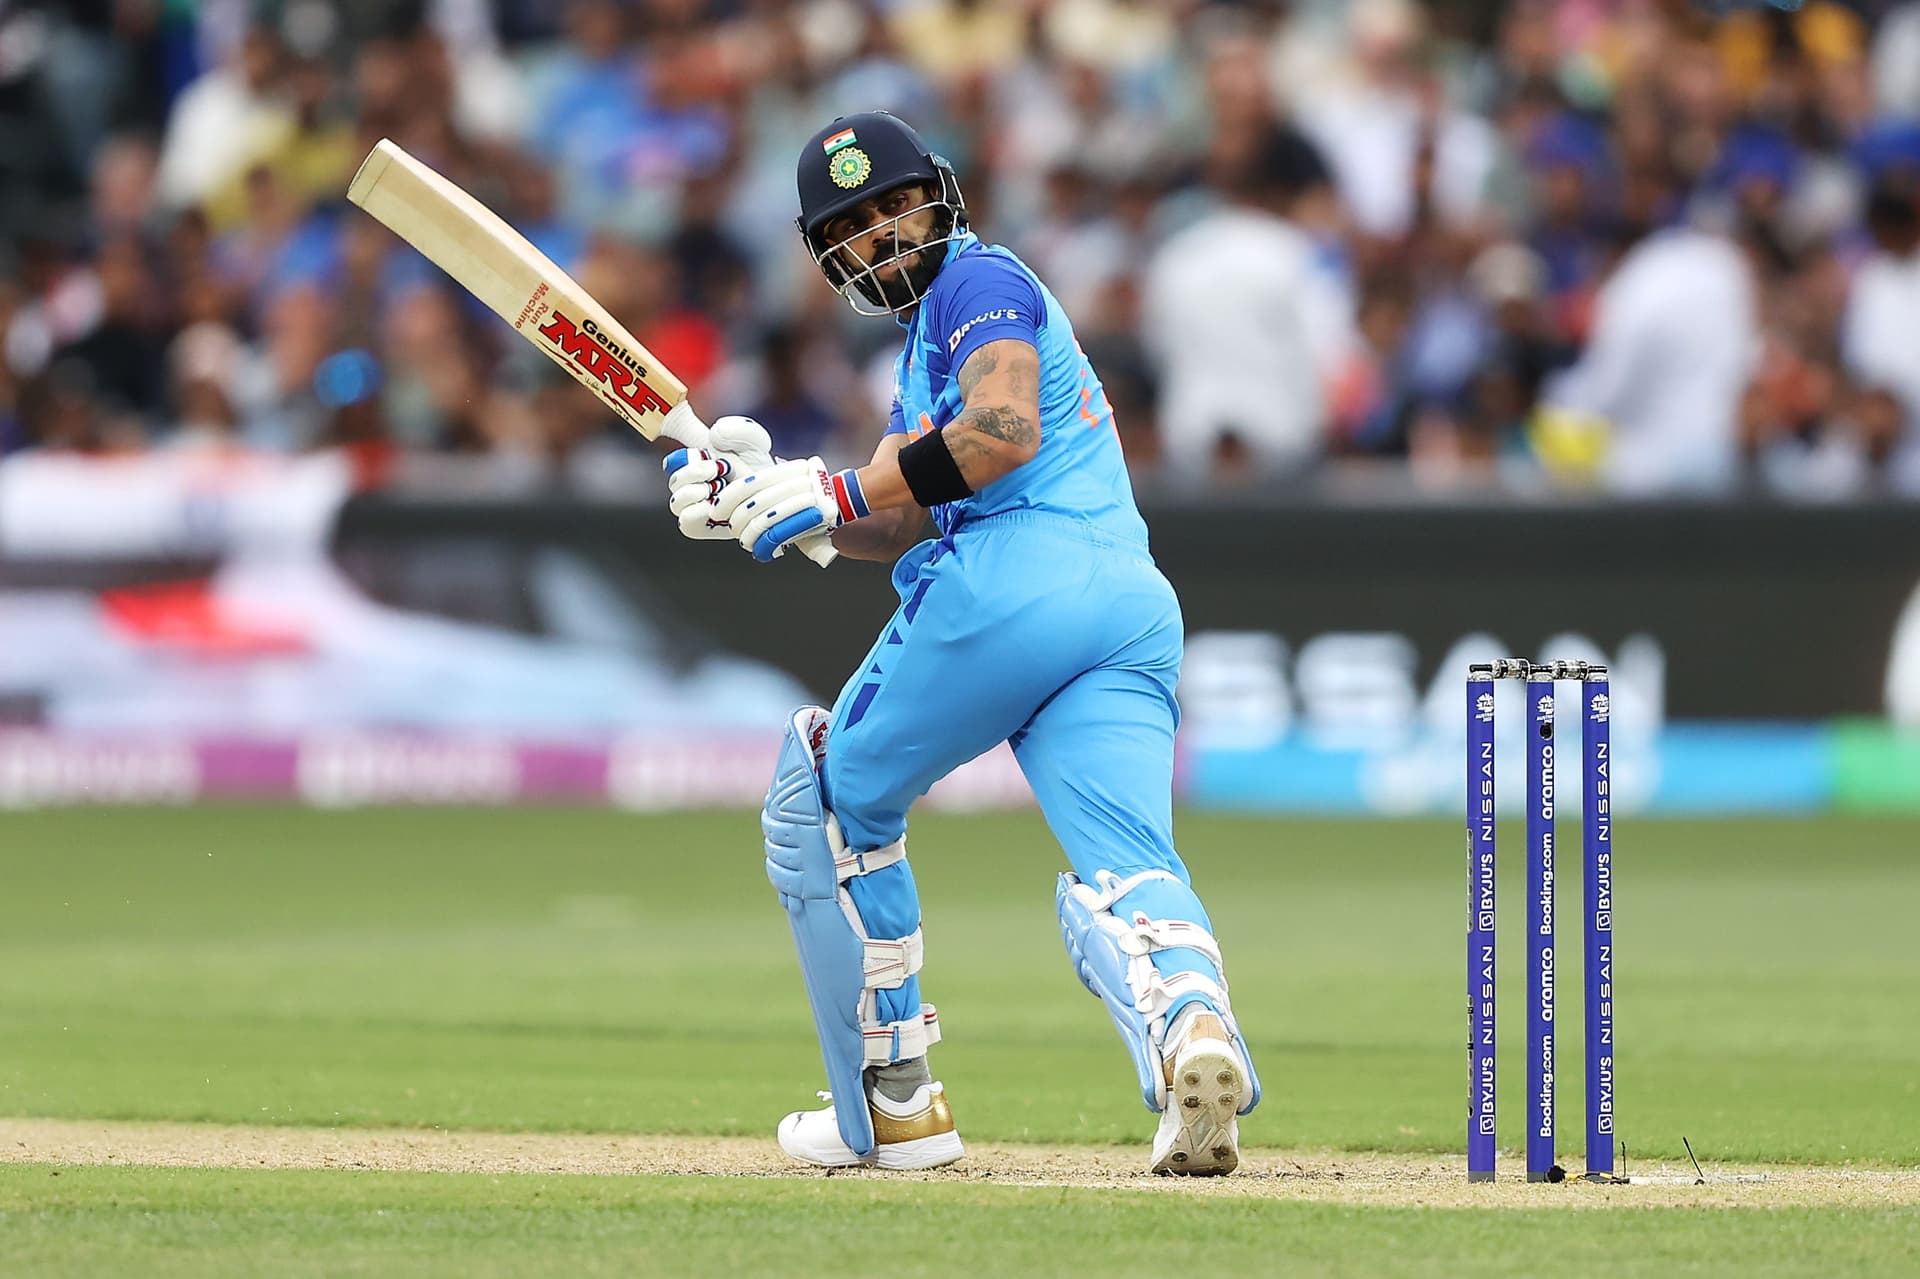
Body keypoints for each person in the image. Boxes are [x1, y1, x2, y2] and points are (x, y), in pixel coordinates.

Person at [661, 112, 1259, 1175]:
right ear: (825, 254)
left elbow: (999, 433)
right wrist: (762, 497)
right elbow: (897, 514)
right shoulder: (928, 347)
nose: (883, 235)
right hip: (1123, 603)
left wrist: (829, 486)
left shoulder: (979, 288)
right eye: (854, 224)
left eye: (895, 205)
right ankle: (1194, 1034)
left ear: (940, 195)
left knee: (829, 799)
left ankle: (891, 1105)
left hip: (1010, 589)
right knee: (1126, 867)